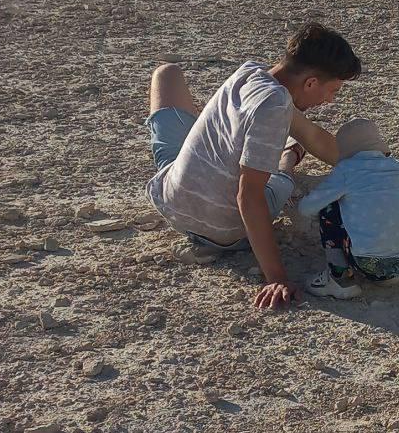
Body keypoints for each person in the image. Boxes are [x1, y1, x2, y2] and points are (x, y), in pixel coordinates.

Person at [145, 23, 360, 309]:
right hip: (224, 230)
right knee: (280, 181)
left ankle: (272, 152)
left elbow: (310, 134)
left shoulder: (248, 73)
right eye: (332, 91)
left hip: (173, 201)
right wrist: (276, 278)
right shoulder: (275, 107)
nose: (330, 100)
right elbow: (249, 196)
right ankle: (287, 160)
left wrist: (368, 166)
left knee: (167, 74)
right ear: (310, 83)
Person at [297, 117, 399, 299]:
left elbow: (306, 208)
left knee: (329, 209)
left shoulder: (347, 170)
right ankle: (386, 277)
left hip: (367, 260)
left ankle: (340, 278)